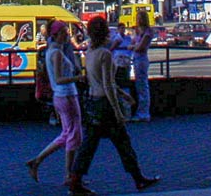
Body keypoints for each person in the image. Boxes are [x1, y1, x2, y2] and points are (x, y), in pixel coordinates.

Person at [68, 16, 161, 195]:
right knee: (123, 143)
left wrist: (123, 94)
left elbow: (96, 81)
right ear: (104, 33)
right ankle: (138, 178)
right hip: (106, 105)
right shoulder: (105, 54)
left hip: (93, 103)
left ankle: (75, 180)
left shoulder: (90, 53)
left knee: (88, 145)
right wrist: (118, 110)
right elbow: (109, 84)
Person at [25, 21, 84, 185]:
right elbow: (59, 79)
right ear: (56, 34)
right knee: (73, 135)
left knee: (67, 134)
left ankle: (37, 161)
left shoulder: (53, 51)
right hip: (66, 95)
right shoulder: (56, 53)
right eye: (65, 32)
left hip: (62, 96)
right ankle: (69, 175)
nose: (67, 35)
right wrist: (78, 78)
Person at [130, 10, 153, 121]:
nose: (137, 20)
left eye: (139, 18)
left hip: (142, 59)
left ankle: (144, 113)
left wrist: (132, 47)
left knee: (143, 86)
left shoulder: (147, 32)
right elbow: (134, 43)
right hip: (136, 58)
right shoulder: (139, 32)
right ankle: (141, 111)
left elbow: (140, 47)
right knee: (139, 86)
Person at [109, 21, 136, 114]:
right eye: (121, 28)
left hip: (125, 63)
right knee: (120, 85)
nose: (123, 30)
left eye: (124, 28)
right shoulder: (115, 38)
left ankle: (126, 111)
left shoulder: (127, 39)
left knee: (124, 84)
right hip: (117, 63)